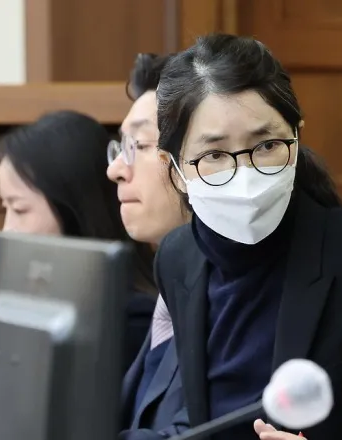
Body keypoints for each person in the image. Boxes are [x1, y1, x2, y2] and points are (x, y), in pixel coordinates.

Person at [154, 33, 342, 440]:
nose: (245, 173)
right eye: (214, 155)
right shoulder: (176, 257)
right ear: (174, 170)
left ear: (297, 137)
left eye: (267, 145)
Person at [0, 110, 157, 372]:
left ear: (72, 209)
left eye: (19, 209)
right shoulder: (38, 302)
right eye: (5, 208)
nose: (7, 229)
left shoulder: (128, 320)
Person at [107, 52, 191, 439]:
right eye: (120, 147)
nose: (115, 169)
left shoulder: (235, 300)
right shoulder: (172, 285)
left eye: (138, 145)